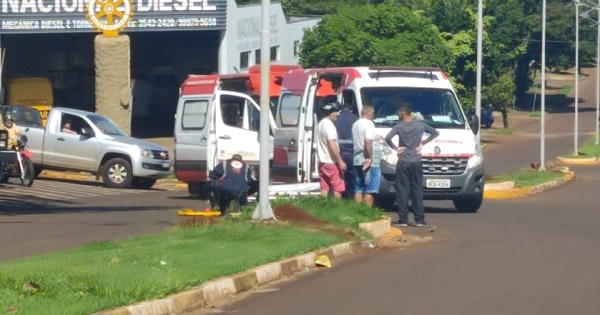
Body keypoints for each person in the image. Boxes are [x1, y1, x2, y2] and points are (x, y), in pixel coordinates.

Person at [385, 105, 439, 227]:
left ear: (403, 114)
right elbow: (435, 133)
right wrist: (422, 143)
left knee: (402, 190)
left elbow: (388, 138)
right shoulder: (420, 125)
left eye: (399, 114)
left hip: (403, 160)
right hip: (416, 160)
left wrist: (396, 148)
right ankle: (419, 219)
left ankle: (403, 219)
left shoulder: (399, 126)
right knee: (417, 190)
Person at [351, 105, 381, 207]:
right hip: (368, 161)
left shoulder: (355, 124)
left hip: (357, 158)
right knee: (370, 189)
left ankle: (358, 212)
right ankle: (367, 213)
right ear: (369, 113)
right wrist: (370, 157)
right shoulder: (369, 123)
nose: (373, 115)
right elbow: (368, 141)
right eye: (373, 113)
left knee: (358, 187)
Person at [316, 100, 346, 198]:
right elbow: (332, 145)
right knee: (338, 188)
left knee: (324, 187)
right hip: (331, 162)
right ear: (330, 112)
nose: (338, 114)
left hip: (322, 162)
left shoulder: (320, 124)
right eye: (336, 111)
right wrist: (340, 161)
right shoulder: (329, 125)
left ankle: (324, 207)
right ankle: (336, 209)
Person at [333, 100, 358, 198]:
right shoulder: (355, 119)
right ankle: (350, 197)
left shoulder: (336, 119)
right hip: (352, 152)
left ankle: (340, 196)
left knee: (339, 177)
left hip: (339, 153)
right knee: (352, 178)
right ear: (351, 110)